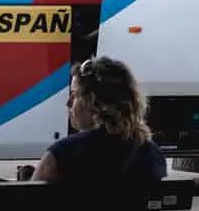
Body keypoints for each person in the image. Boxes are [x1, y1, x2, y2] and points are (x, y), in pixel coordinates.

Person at [32, 56, 167, 184]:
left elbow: (27, 204)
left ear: (93, 102)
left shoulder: (63, 154)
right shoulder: (151, 154)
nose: (68, 103)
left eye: (74, 95)